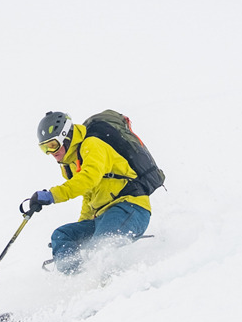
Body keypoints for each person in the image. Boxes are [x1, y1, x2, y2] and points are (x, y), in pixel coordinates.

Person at [29, 111, 151, 274]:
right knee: (62, 235)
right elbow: (89, 196)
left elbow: (89, 179)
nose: (51, 152)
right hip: (102, 216)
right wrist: (82, 227)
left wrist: (53, 195)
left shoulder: (92, 145)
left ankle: (109, 285)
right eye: (45, 148)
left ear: (65, 136)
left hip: (130, 208)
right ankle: (76, 280)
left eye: (52, 145)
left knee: (100, 245)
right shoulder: (70, 164)